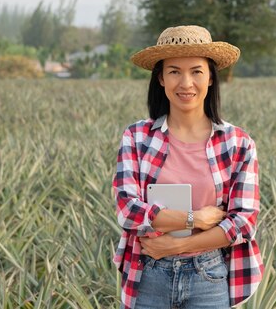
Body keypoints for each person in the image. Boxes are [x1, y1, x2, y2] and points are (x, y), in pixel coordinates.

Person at [112, 25, 263, 309]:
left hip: (208, 276)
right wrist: (195, 218)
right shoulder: (137, 136)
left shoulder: (237, 143)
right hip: (147, 275)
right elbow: (127, 210)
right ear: (160, 78)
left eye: (196, 71)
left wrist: (179, 245)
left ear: (210, 77)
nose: (186, 83)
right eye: (174, 71)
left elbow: (243, 222)